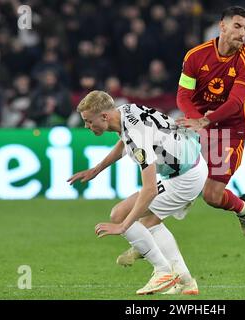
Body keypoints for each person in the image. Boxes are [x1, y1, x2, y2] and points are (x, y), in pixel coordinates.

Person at [67, 90, 207, 295]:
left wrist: (122, 226)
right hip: (190, 165)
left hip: (185, 178)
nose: (87, 127)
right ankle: (185, 280)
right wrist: (96, 169)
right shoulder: (125, 111)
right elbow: (123, 141)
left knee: (119, 213)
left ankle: (163, 271)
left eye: (89, 121)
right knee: (149, 224)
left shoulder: (136, 137)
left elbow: (149, 189)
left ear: (104, 116)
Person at [175, 6, 245, 237]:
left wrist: (205, 122)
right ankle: (148, 236)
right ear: (222, 26)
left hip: (229, 131)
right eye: (238, 26)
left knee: (212, 196)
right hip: (199, 125)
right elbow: (183, 95)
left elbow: (234, 103)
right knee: (173, 177)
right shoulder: (195, 56)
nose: (243, 33)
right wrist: (196, 121)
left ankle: (243, 208)